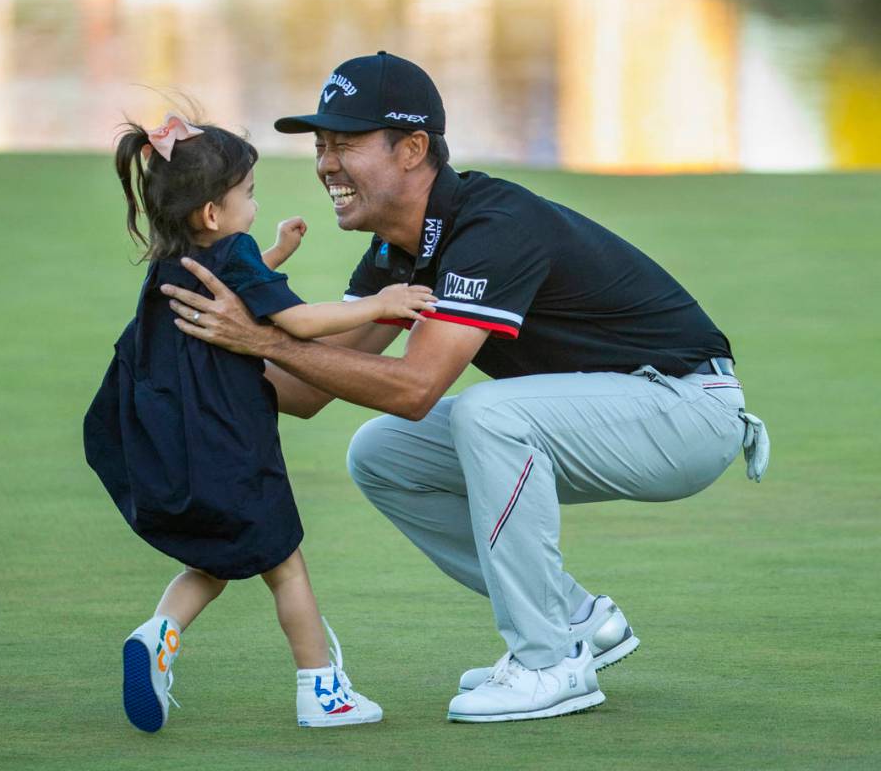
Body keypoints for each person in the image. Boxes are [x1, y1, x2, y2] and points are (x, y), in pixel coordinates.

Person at [160, 53, 771, 724]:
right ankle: (574, 621)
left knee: (486, 414)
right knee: (384, 453)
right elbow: (304, 390)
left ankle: (550, 662)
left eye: (347, 144)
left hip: (686, 411)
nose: (327, 165)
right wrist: (203, 351)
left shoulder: (493, 225)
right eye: (321, 146)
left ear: (413, 149)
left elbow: (416, 387)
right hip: (621, 413)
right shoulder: (397, 250)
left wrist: (258, 339)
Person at [83, 112, 436, 732]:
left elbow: (238, 286)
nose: (254, 201)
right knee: (286, 563)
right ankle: (321, 693)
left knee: (214, 563)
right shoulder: (232, 253)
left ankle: (158, 633)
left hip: (178, 449)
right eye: (247, 193)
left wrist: (277, 252)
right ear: (213, 216)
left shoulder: (174, 261)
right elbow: (296, 323)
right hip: (232, 447)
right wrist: (383, 303)